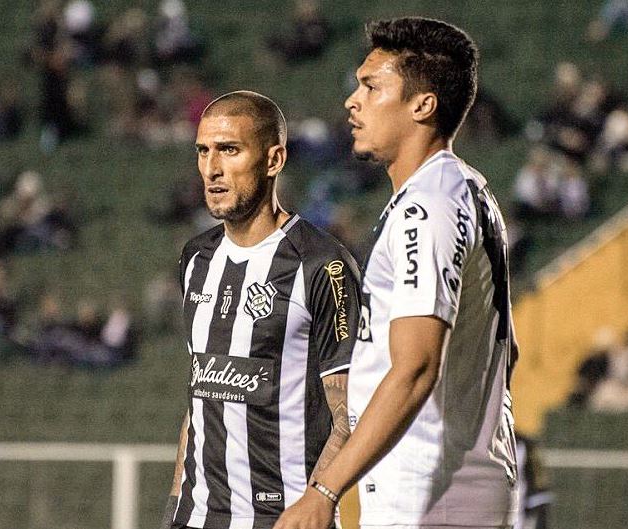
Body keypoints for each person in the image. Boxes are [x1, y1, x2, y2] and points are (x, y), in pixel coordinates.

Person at [275, 17, 520, 529]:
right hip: (451, 484)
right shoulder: (456, 191)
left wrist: (324, 490)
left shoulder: (427, 206)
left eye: (371, 86)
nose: (352, 100)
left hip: (432, 493)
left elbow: (414, 368)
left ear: (422, 105)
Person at [160, 91, 361, 529]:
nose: (212, 169)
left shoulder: (321, 264)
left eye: (229, 150)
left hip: (283, 517)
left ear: (274, 160)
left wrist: (317, 502)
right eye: (203, 151)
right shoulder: (195, 259)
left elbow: (350, 413)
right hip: (197, 518)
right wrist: (177, 505)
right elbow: (200, 397)